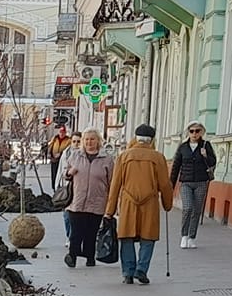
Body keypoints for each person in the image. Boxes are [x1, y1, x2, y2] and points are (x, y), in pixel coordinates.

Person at [105, 124, 174, 285]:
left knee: (126, 236)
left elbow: (115, 185)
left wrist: (110, 210)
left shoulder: (124, 156)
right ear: (152, 140)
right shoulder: (158, 157)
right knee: (148, 236)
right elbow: (165, 185)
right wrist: (167, 204)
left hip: (128, 202)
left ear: (135, 138)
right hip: (150, 202)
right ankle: (141, 270)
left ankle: (128, 273)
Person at [61, 129, 112, 269]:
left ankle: (90, 257)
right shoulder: (75, 156)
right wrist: (69, 172)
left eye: (92, 139)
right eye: (87, 139)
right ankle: (72, 256)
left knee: (91, 232)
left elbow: (111, 181)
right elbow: (64, 173)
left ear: (98, 141)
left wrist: (111, 204)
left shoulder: (106, 159)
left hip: (97, 201)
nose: (89, 142)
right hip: (77, 200)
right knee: (76, 232)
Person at [172, 122, 216, 248]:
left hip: (201, 182)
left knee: (196, 210)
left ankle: (192, 237)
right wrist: (171, 185)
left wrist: (205, 156)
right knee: (187, 208)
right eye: (192, 131)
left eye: (197, 131)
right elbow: (176, 166)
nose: (195, 133)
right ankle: (184, 235)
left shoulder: (206, 146)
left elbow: (213, 162)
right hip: (186, 182)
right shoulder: (183, 147)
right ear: (188, 132)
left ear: (202, 132)